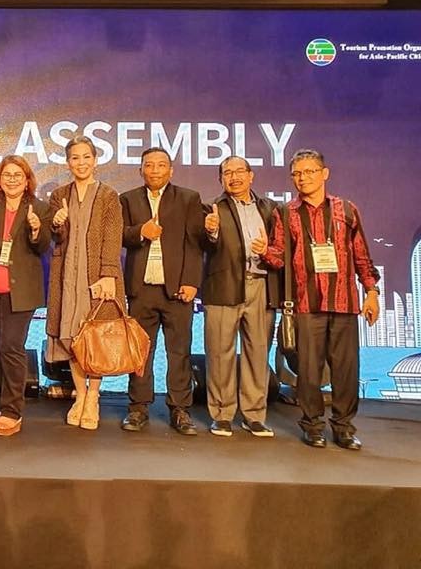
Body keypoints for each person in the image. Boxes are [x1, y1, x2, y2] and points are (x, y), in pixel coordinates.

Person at [264, 149, 379, 450]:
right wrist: (263, 251)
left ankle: (343, 427)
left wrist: (371, 292)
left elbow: (362, 256)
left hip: (344, 303)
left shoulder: (347, 210)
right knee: (309, 371)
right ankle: (312, 425)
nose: (303, 178)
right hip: (306, 304)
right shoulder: (285, 213)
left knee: (346, 370)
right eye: (297, 173)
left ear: (324, 173)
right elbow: (278, 257)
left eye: (309, 171)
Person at [120, 147, 203, 435]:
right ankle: (138, 407)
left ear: (171, 170)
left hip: (177, 289)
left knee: (179, 351)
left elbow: (194, 244)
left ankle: (180, 408)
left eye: (161, 165)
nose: (154, 170)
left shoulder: (189, 198)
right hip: (141, 288)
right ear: (140, 170)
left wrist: (191, 281)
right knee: (140, 352)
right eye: (149, 165)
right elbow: (120, 235)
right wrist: (140, 232)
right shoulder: (128, 198)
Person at [45, 136, 125, 431]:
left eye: (86, 157)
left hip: (97, 277)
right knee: (72, 337)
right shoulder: (59, 195)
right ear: (68, 163)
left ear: (95, 160)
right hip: (67, 276)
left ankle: (93, 396)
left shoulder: (108, 195)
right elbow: (57, 238)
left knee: (95, 337)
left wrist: (108, 274)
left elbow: (113, 236)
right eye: (75, 158)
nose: (81, 163)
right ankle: (80, 395)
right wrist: (57, 223)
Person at [202, 155, 281, 438]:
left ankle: (254, 415)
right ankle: (222, 415)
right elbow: (202, 244)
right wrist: (210, 231)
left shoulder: (271, 208)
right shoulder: (212, 208)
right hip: (224, 286)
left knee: (257, 352)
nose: (234, 177)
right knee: (219, 353)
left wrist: (267, 251)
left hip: (261, 286)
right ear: (221, 179)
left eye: (239, 172)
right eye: (227, 173)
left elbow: (282, 249)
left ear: (251, 176)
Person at [0, 156, 51, 437]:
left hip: (22, 291)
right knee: (1, 347)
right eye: (7, 174)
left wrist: (36, 229)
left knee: (12, 347)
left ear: (27, 180)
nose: (12, 179)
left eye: (18, 175)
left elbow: (42, 246)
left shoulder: (40, 208)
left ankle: (12, 411)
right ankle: (7, 405)